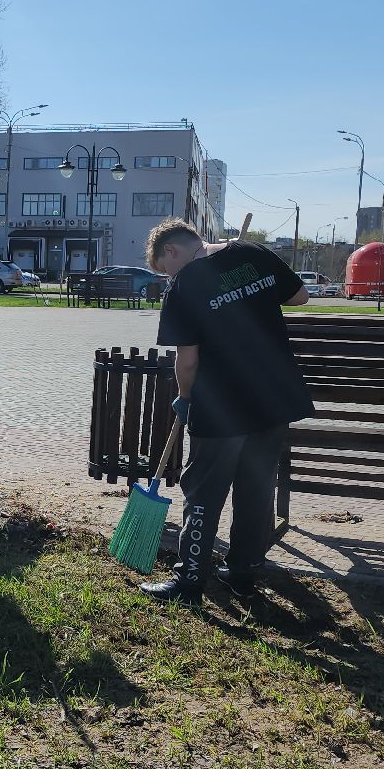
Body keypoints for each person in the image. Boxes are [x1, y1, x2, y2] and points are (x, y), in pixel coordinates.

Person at [139, 219, 313, 604]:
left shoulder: (184, 286)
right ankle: (243, 573)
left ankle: (189, 583)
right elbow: (300, 296)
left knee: (203, 491)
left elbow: (187, 361)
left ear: (172, 251)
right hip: (273, 398)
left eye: (165, 269)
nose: (169, 276)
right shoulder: (252, 254)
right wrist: (251, 288)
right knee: (256, 489)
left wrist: (184, 397)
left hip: (221, 408)